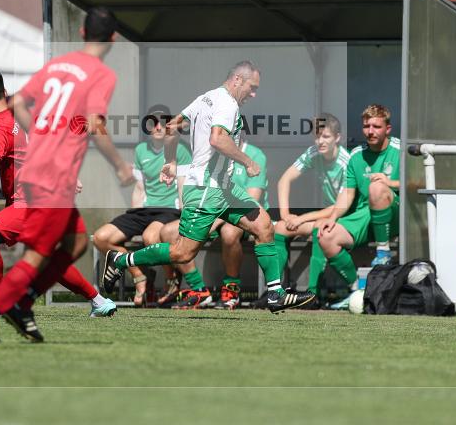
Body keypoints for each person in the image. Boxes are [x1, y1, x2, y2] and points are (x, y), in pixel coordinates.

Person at [0, 7, 135, 345]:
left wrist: (42, 140)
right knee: (38, 255)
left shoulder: (57, 66)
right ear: (113, 39)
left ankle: (23, 305)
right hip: (52, 176)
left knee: (76, 243)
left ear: (83, 34)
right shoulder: (101, 75)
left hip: (43, 173)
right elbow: (96, 125)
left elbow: (20, 104)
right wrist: (119, 165)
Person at [100, 61, 315, 313]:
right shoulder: (227, 104)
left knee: (264, 225)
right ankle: (121, 259)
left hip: (224, 188)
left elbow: (171, 127)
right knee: (182, 253)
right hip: (205, 189)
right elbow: (218, 139)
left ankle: (275, 294)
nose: (254, 94)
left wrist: (171, 161)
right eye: (252, 87)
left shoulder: (206, 98)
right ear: (237, 80)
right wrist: (247, 162)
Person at [0, 71, 115, 342]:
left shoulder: (0, 129)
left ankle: (0, 304)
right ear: (5, 93)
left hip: (30, 204)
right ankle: (99, 300)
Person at [92, 104, 191, 307]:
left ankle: (171, 280)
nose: (157, 127)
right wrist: (134, 216)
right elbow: (139, 188)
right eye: (153, 123)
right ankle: (140, 276)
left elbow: (184, 184)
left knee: (150, 237)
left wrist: (185, 214)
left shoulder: (180, 149)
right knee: (101, 238)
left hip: (170, 210)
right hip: (145, 211)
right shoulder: (141, 150)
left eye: (163, 123)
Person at [158, 138, 268, 309]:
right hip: (210, 211)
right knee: (168, 232)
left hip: (241, 214)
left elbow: (251, 199)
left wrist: (216, 220)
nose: (221, 134)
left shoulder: (254, 154)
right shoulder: (210, 152)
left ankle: (231, 289)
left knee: (229, 233)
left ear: (240, 132)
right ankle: (199, 290)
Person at [316, 104, 400, 310]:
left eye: (376, 126)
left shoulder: (401, 149)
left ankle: (383, 254)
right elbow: (347, 195)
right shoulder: (356, 156)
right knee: (326, 236)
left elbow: (420, 184)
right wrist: (332, 216)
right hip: (365, 215)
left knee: (376, 188)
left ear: (387, 129)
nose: (370, 131)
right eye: (366, 126)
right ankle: (357, 292)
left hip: (397, 214)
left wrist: (391, 183)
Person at [275, 113, 352, 299]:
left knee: (320, 227)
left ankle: (312, 294)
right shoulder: (313, 152)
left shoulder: (346, 161)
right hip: (323, 216)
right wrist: (286, 215)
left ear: (338, 138)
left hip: (345, 216)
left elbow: (338, 207)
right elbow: (284, 180)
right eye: (317, 136)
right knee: (280, 227)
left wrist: (301, 218)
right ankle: (275, 291)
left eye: (326, 137)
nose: (320, 142)